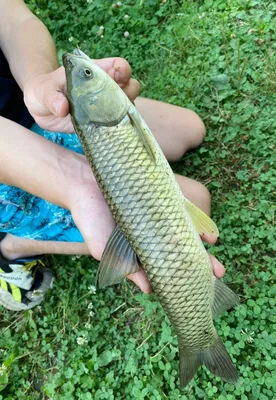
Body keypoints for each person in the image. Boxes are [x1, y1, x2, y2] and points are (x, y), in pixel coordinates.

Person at [0, 0, 225, 311]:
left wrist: (36, 82)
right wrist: (75, 183)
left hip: (37, 111)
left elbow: (11, 17)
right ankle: (11, 246)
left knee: (189, 130)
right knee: (197, 199)